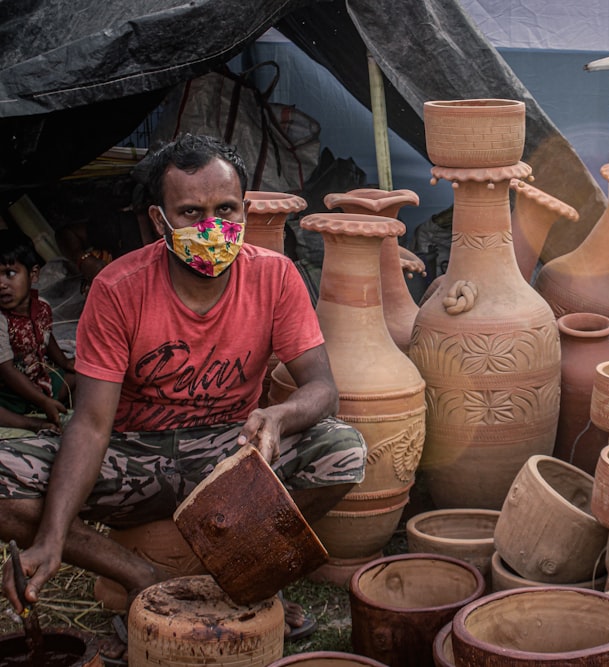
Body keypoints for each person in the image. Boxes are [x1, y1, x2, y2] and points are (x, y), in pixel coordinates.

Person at [0, 134, 366, 646]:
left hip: (229, 455)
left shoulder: (275, 276)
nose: (212, 226)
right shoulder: (117, 287)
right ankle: (140, 579)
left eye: (226, 209)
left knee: (342, 451)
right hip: (128, 456)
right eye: (191, 212)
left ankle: (245, 577)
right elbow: (90, 423)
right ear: (158, 220)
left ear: (247, 209)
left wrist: (279, 417)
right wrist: (51, 538)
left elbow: (323, 388)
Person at [0, 232, 76, 430]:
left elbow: (46, 336)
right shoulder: (1, 320)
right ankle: (30, 422)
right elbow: (6, 370)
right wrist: (43, 402)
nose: (1, 285)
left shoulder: (42, 306)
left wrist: (64, 362)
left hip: (40, 379)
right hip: (8, 394)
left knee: (82, 380)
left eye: (9, 273)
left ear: (33, 274)